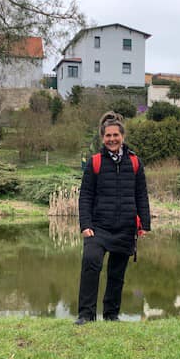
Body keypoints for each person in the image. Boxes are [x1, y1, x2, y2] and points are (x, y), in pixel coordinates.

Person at [75, 111, 151, 324]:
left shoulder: (135, 162)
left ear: (122, 136)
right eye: (108, 135)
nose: (112, 139)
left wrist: (144, 223)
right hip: (98, 227)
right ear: (102, 138)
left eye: (115, 135)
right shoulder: (95, 162)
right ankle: (86, 315)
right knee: (91, 264)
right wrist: (85, 224)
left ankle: (111, 315)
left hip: (125, 228)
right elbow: (85, 196)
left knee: (117, 274)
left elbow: (141, 194)